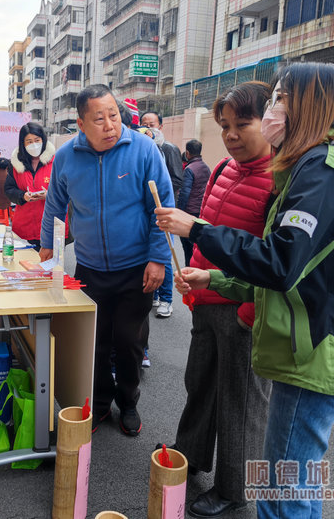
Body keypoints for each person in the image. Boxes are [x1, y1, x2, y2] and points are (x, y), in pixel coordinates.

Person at [156, 63, 334, 518]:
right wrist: (216, 278)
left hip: (314, 351)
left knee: (283, 493)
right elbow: (295, 266)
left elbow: (281, 263)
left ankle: (232, 486)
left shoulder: (325, 171)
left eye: (281, 99)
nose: (273, 110)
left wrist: (199, 231)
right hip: (300, 343)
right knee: (288, 480)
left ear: (312, 105)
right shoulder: (310, 167)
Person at [154, 81, 274, 518]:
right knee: (199, 382)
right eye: (225, 126)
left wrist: (248, 311)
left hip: (243, 305)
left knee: (241, 401)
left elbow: (273, 260)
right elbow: (208, 230)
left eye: (243, 124)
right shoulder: (223, 169)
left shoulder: (281, 178)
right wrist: (192, 280)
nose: (232, 134)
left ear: (270, 121)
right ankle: (192, 453)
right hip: (206, 295)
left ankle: (234, 487)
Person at [39, 84, 174, 437]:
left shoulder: (143, 150)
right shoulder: (67, 157)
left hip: (136, 269)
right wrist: (47, 247)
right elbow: (55, 205)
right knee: (94, 342)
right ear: (81, 124)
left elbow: (162, 207)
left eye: (113, 115)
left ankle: (128, 402)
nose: (110, 125)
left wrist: (159, 258)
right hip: (90, 268)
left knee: (129, 342)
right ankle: (99, 404)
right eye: (99, 119)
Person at [140, 111, 184, 319]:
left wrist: (162, 196)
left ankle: (167, 299)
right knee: (150, 254)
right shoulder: (141, 149)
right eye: (145, 124)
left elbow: (176, 179)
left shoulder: (169, 149)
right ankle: (155, 294)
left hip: (164, 210)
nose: (149, 128)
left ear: (161, 126)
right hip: (147, 212)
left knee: (164, 256)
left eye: (153, 124)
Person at [5, 122, 56, 247]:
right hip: (24, 226)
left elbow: (68, 190)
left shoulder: (56, 161)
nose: (34, 145)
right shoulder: (16, 164)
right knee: (24, 265)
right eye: (29, 141)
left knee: (49, 266)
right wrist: (23, 196)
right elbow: (9, 189)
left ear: (43, 140)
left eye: (37, 140)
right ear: (23, 144)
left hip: (50, 227)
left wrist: (49, 195)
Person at [177, 139, 211, 266]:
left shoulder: (189, 169)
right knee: (195, 246)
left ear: (187, 153)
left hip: (189, 212)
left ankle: (188, 269)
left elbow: (185, 193)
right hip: (201, 211)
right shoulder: (206, 168)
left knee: (187, 247)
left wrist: (179, 211)